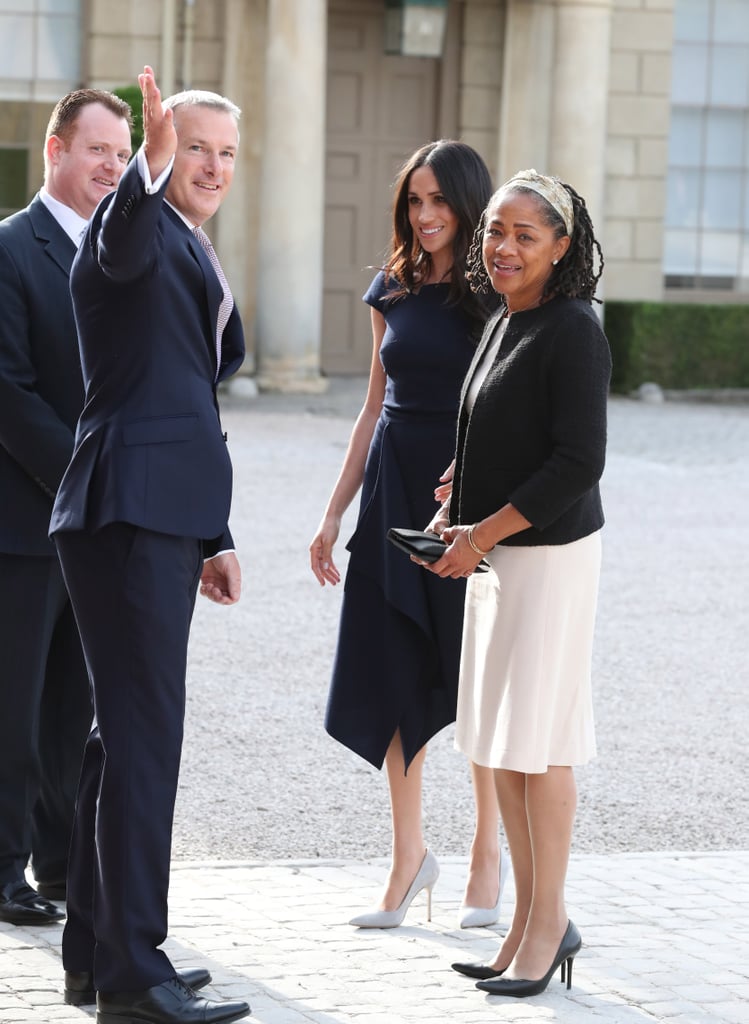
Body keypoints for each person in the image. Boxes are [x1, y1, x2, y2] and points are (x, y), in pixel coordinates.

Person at [49, 67, 250, 1024]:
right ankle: (134, 973)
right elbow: (117, 238)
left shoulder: (186, 243)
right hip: (126, 512)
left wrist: (214, 532)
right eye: (193, 146)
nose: (209, 166)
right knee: (142, 743)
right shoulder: (127, 232)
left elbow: (187, 396)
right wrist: (147, 164)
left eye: (224, 153)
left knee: (116, 739)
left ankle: (96, 949)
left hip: (160, 515)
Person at [310, 140, 509, 930]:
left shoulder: (496, 290)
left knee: (473, 682)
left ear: (468, 203)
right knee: (394, 672)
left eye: (438, 202)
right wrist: (331, 513)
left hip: (467, 494)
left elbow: (509, 406)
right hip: (392, 489)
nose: (424, 216)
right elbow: (370, 408)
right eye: (413, 202)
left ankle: (487, 856)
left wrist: (474, 481)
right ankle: (408, 859)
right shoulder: (389, 288)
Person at [421, 169, 611, 997]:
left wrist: (483, 530)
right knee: (499, 749)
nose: (500, 247)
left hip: (545, 559)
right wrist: (454, 494)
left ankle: (545, 927)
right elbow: (502, 428)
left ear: (560, 248)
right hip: (495, 553)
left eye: (523, 236)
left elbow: (577, 460)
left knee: (541, 748)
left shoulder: (574, 329)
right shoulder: (506, 318)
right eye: (495, 230)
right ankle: (533, 922)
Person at [0, 88, 133, 927]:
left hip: (96, 526)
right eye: (97, 151)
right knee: (12, 702)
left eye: (121, 155)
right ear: (56, 151)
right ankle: (2, 868)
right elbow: (7, 391)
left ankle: (59, 863)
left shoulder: (123, 252)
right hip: (22, 519)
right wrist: (84, 477)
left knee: (73, 709)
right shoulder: (11, 248)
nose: (110, 168)